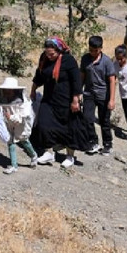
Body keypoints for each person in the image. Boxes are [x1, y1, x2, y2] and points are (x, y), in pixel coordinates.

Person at [31, 37, 90, 168]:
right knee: (44, 124)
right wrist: (33, 89)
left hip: (66, 101)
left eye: (52, 54)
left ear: (59, 50)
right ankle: (48, 152)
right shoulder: (44, 58)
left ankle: (70, 156)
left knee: (69, 128)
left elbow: (76, 80)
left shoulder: (68, 60)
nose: (49, 56)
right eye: (47, 53)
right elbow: (39, 75)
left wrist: (75, 100)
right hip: (49, 99)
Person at [80, 35, 117, 155]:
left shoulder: (107, 61)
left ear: (101, 48)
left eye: (95, 50)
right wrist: (78, 92)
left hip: (103, 95)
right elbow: (82, 76)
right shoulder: (85, 59)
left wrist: (111, 100)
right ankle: (93, 142)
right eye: (91, 50)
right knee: (87, 118)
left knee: (104, 121)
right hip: (89, 93)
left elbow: (112, 80)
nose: (93, 52)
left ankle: (107, 144)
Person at [0, 77, 38, 174]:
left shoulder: (24, 103)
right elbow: (0, 111)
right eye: (6, 90)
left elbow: (21, 118)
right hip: (9, 123)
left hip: (21, 124)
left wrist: (11, 117)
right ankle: (14, 165)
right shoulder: (3, 100)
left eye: (9, 90)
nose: (7, 92)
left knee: (23, 140)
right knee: (10, 142)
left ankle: (34, 156)